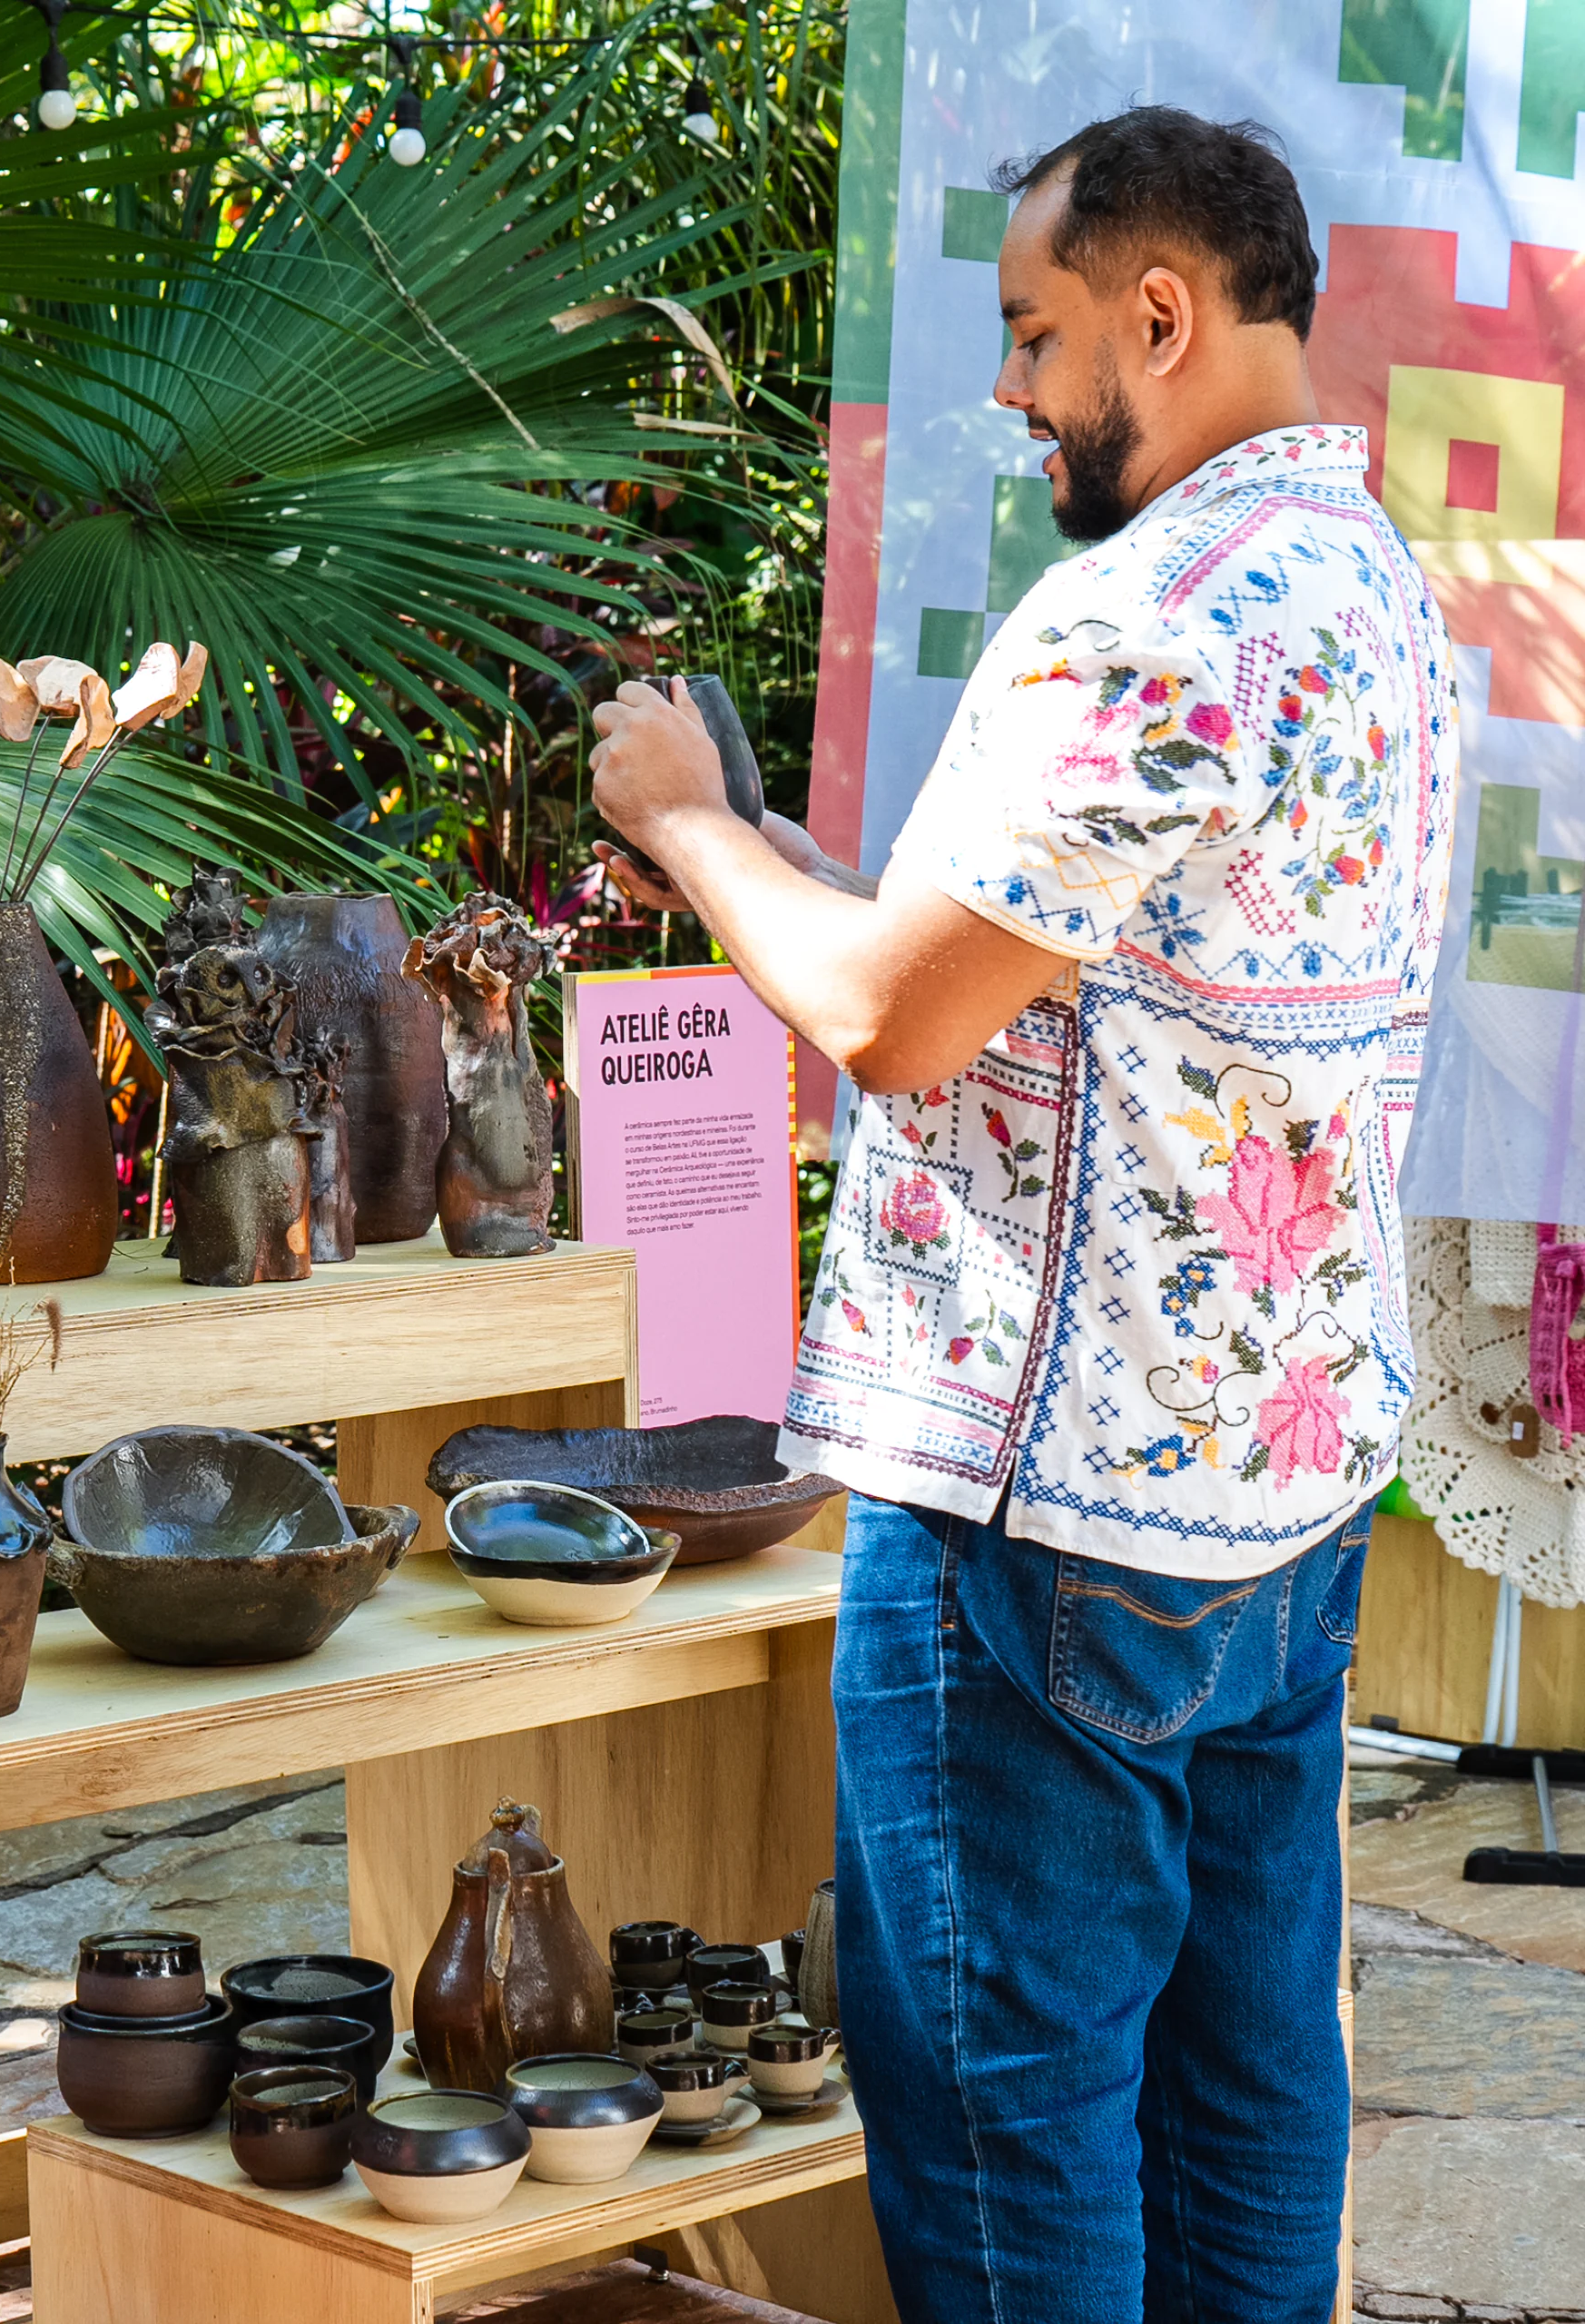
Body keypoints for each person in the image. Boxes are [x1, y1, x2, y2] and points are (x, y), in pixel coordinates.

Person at [590, 109, 1453, 2323]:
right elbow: (1043, 977)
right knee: (1244, 2076)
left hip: (1043, 1508)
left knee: (1007, 2097)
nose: (1005, 382)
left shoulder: (1146, 616)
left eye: (1034, 328)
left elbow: (884, 1013)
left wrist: (692, 828)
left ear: (1155, 316)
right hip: (1268, 1484)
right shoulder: (1371, 585)